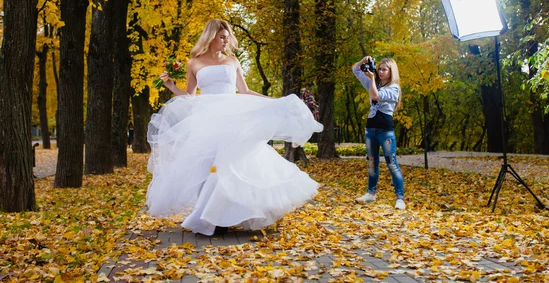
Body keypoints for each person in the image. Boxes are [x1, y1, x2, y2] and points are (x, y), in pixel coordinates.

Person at [145, 19, 323, 236]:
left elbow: (245, 91)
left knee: (235, 162)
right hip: (207, 119)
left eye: (227, 37)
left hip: (233, 116)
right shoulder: (195, 62)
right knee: (210, 166)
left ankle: (227, 214)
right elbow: (190, 97)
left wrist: (273, 100)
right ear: (210, 37)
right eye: (221, 37)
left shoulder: (232, 61)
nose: (225, 41)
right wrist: (172, 86)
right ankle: (212, 218)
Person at [352, 56, 406, 210]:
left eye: (384, 69)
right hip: (370, 129)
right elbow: (355, 70)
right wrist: (363, 60)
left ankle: (400, 198)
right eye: (379, 69)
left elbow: (376, 96)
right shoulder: (372, 82)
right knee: (372, 163)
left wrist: (372, 80)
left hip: (385, 130)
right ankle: (371, 194)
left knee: (392, 164)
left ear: (391, 72)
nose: (380, 72)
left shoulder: (394, 88)